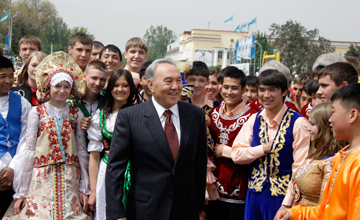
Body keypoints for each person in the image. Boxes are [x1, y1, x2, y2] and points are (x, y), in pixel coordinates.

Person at [105, 58, 207, 220]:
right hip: (144, 210)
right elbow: (115, 169)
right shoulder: (130, 117)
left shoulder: (195, 115)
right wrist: (116, 214)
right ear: (151, 85)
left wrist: (200, 208)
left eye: (178, 81)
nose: (175, 87)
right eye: (168, 81)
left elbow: (199, 165)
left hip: (186, 209)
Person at [3, 51, 91, 219]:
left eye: (66, 86)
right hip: (41, 177)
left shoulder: (76, 113)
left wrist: (84, 188)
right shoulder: (37, 112)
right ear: (48, 86)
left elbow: (81, 151)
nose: (62, 90)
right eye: (57, 86)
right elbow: (29, 150)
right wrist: (22, 191)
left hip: (70, 176)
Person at [231, 69, 310, 220]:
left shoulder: (298, 123)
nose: (266, 95)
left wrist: (287, 203)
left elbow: (300, 168)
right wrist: (261, 149)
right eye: (262, 90)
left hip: (282, 199)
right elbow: (236, 154)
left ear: (285, 91)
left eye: (272, 90)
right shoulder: (255, 119)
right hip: (254, 195)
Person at [277, 83, 360, 220]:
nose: (330, 119)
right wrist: (295, 213)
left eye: (333, 112)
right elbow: (330, 210)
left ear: (352, 115)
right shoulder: (343, 156)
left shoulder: (357, 163)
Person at [274, 102, 347, 219]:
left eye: (312, 124)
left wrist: (294, 212)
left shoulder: (332, 161)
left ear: (326, 128)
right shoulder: (314, 153)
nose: (308, 128)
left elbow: (326, 207)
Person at [88, 69, 140, 220]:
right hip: (108, 172)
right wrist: (92, 191)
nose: (120, 89)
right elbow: (94, 155)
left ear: (131, 88)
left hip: (136, 171)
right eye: (116, 85)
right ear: (110, 88)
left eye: (125, 85)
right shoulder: (101, 116)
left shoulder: (140, 112)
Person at [206, 67, 257, 220]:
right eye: (226, 87)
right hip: (213, 189)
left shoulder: (253, 116)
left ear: (244, 89)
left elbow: (256, 151)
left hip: (240, 189)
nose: (229, 92)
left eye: (235, 88)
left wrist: (226, 151)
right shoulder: (212, 114)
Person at [0, 56, 31, 218]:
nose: (8, 81)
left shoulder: (23, 103)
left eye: (11, 76)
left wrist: (12, 168)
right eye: (2, 76)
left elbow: (26, 138)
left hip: (14, 170)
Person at [67, 61, 107, 131]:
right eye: (94, 78)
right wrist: (78, 123)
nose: (98, 83)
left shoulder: (108, 99)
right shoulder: (71, 100)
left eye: (102, 79)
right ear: (84, 76)